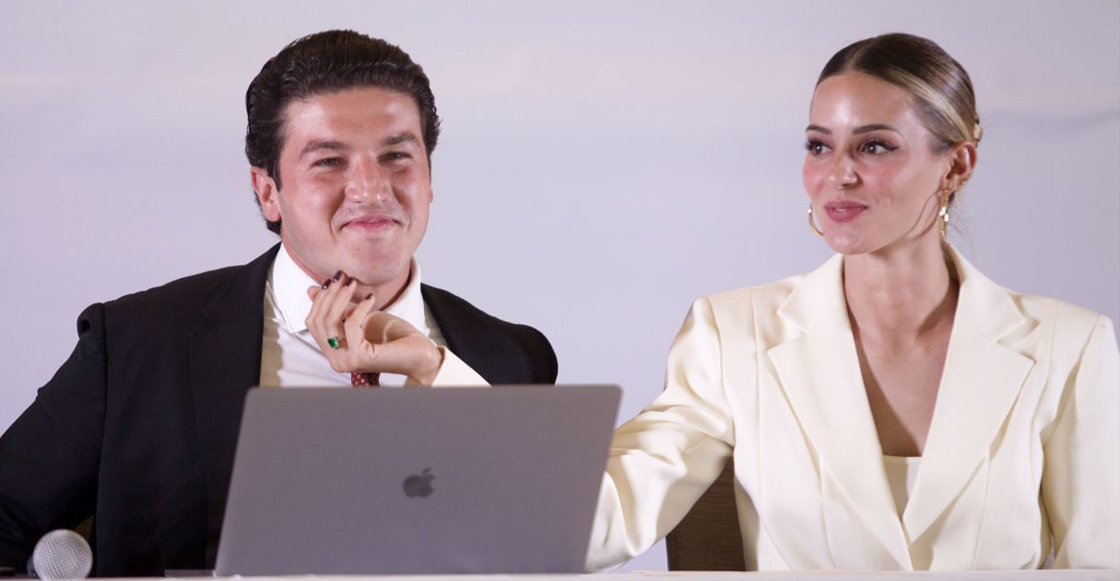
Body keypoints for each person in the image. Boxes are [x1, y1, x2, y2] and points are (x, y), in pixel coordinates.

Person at [0, 30, 557, 576]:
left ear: (429, 179)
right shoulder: (136, 346)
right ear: (268, 191)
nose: (371, 189)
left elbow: (550, 548)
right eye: (329, 161)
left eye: (396, 155)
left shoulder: (512, 359)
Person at [585, 33, 1119, 571]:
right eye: (819, 146)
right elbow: (599, 519)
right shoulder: (732, 334)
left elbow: (1103, 562)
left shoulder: (1068, 346)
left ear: (957, 166)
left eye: (874, 146)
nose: (837, 174)